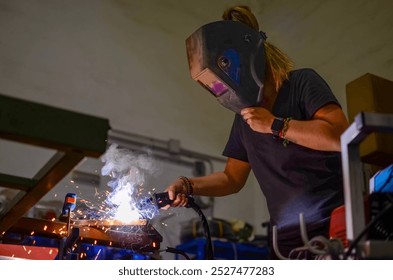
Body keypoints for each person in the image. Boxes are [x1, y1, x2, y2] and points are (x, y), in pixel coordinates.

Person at [165, 5, 349, 259]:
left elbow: (340, 137)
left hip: (333, 229)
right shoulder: (244, 120)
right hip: (284, 244)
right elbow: (232, 179)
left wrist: (275, 124)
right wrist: (188, 185)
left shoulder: (302, 84)